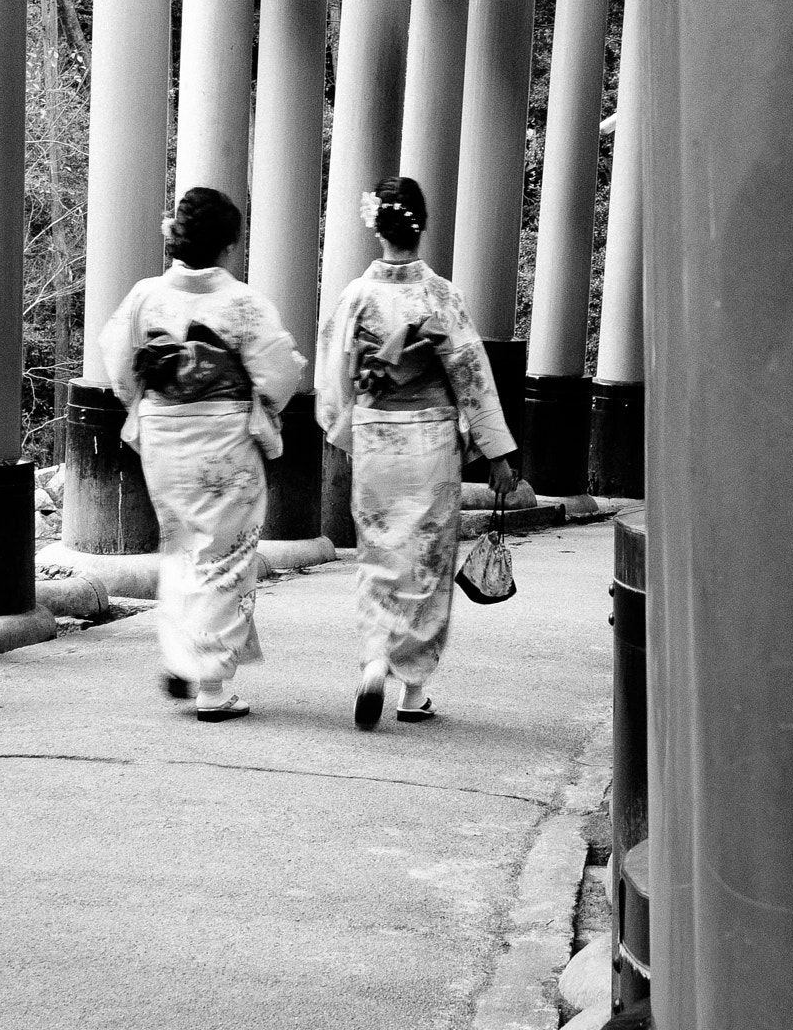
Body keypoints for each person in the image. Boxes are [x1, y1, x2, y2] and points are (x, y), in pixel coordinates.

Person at [316, 174, 519, 730]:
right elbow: (471, 376)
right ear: (422, 225)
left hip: (378, 438)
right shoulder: (440, 296)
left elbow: (334, 379)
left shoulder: (356, 296)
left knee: (381, 552)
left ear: (375, 227)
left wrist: (347, 429)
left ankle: (376, 655)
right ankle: (412, 692)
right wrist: (497, 453)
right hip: (431, 442)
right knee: (427, 559)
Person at [100, 186, 306, 722]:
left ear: (177, 237)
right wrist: (258, 402)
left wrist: (148, 403)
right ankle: (212, 686)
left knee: (184, 547)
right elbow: (281, 372)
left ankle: (184, 653)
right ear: (229, 245)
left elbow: (118, 365)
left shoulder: (145, 296)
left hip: (164, 439)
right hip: (224, 439)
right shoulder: (242, 303)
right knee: (226, 556)